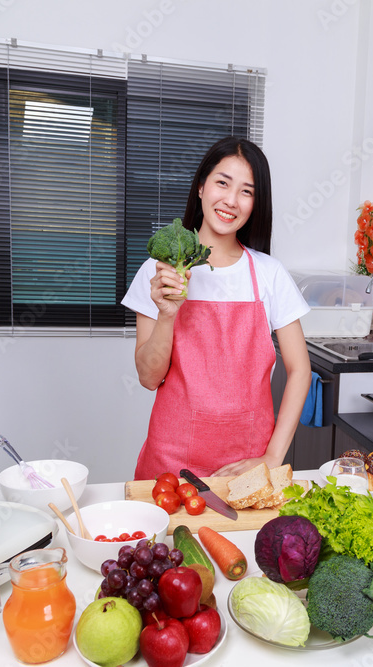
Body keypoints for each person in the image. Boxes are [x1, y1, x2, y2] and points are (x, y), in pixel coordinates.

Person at [121, 137, 312, 481]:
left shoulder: (269, 274)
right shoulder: (159, 270)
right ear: (200, 187)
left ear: (256, 204)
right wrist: (167, 314)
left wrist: (272, 456)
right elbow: (149, 378)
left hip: (247, 465)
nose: (230, 200)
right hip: (170, 465)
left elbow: (300, 370)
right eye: (222, 183)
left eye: (246, 191)